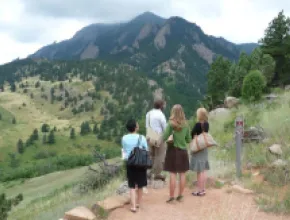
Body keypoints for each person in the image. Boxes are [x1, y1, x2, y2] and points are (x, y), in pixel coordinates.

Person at [163, 104, 191, 203]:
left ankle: (171, 197)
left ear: (173, 112)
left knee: (173, 174)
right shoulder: (186, 124)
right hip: (183, 151)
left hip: (173, 151)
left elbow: (165, 136)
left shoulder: (171, 124)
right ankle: (180, 196)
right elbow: (189, 139)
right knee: (182, 174)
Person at [122, 119, 149, 212]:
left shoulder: (124, 138)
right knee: (140, 184)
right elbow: (146, 149)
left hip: (130, 163)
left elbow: (124, 150)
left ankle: (133, 206)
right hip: (140, 163)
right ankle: (138, 203)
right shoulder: (142, 137)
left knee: (132, 185)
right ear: (135, 127)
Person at [190, 108, 210, 196]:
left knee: (199, 170)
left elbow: (192, 133)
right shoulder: (207, 124)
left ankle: (199, 190)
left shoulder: (198, 124)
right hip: (204, 147)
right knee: (204, 169)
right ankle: (203, 189)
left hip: (198, 148)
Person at [145, 99, 167, 181]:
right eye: (164, 105)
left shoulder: (149, 113)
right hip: (158, 136)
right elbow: (165, 128)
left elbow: (147, 126)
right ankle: (157, 174)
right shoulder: (161, 115)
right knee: (160, 155)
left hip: (149, 136)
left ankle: (150, 172)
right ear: (161, 106)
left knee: (152, 155)